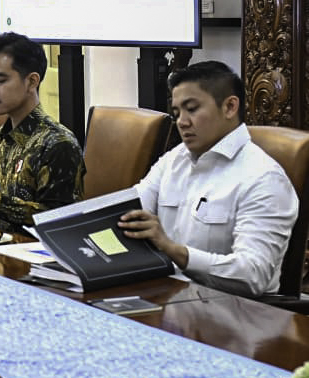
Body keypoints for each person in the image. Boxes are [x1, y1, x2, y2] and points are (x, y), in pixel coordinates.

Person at [120, 61, 297, 297]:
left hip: (234, 315)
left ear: (230, 107)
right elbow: (128, 209)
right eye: (177, 112)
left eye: (192, 109)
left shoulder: (264, 179)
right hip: (169, 297)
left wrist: (175, 251)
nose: (182, 122)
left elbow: (254, 275)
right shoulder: (175, 159)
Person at [0, 32, 84, 233]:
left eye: (0, 80)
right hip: (3, 251)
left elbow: (58, 219)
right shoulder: (0, 139)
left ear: (32, 82)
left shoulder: (57, 143)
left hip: (43, 257)